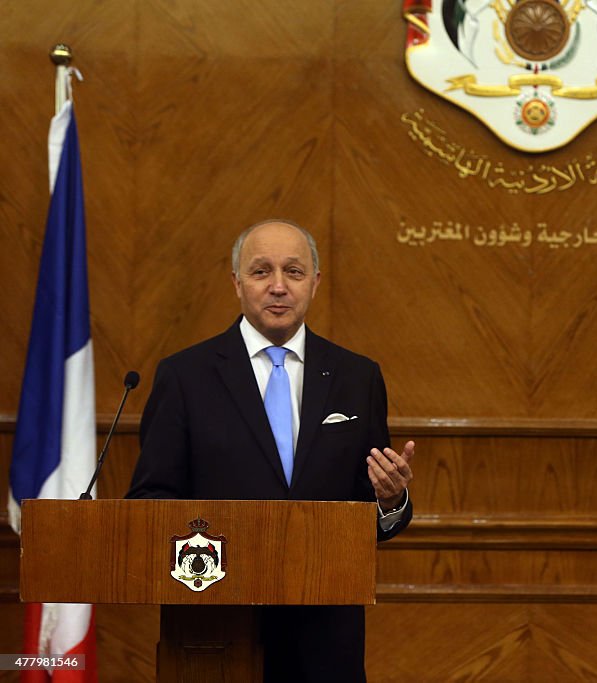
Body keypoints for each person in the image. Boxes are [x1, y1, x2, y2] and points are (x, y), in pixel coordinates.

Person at [127, 219, 413, 682]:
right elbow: (150, 500)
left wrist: (390, 501)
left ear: (315, 284)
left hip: (325, 634)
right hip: (217, 625)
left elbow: (370, 517)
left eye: (294, 272)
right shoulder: (185, 376)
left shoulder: (357, 377)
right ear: (236, 282)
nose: (278, 286)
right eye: (261, 271)